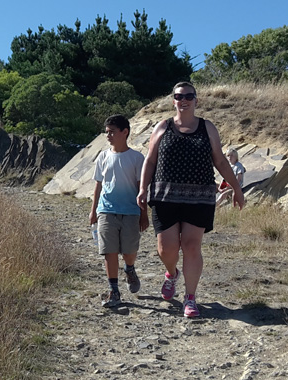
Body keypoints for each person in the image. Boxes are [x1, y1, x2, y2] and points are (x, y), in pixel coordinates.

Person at [136, 82, 245, 318]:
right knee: (167, 248)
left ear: (196, 100)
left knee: (192, 246)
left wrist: (236, 188)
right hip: (166, 196)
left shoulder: (208, 128)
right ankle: (171, 273)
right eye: (178, 96)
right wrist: (143, 188)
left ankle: (190, 298)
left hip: (199, 197)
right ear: (173, 100)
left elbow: (221, 161)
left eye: (188, 96)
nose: (183, 100)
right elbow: (150, 160)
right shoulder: (163, 127)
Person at [89, 114, 149, 308]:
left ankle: (129, 268)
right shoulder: (103, 157)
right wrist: (93, 211)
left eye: (112, 132)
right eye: (106, 132)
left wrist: (144, 213)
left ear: (125, 132)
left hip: (131, 211)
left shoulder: (137, 158)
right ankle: (114, 291)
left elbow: (142, 189)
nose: (108, 136)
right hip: (106, 210)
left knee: (130, 250)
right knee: (109, 251)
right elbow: (98, 186)